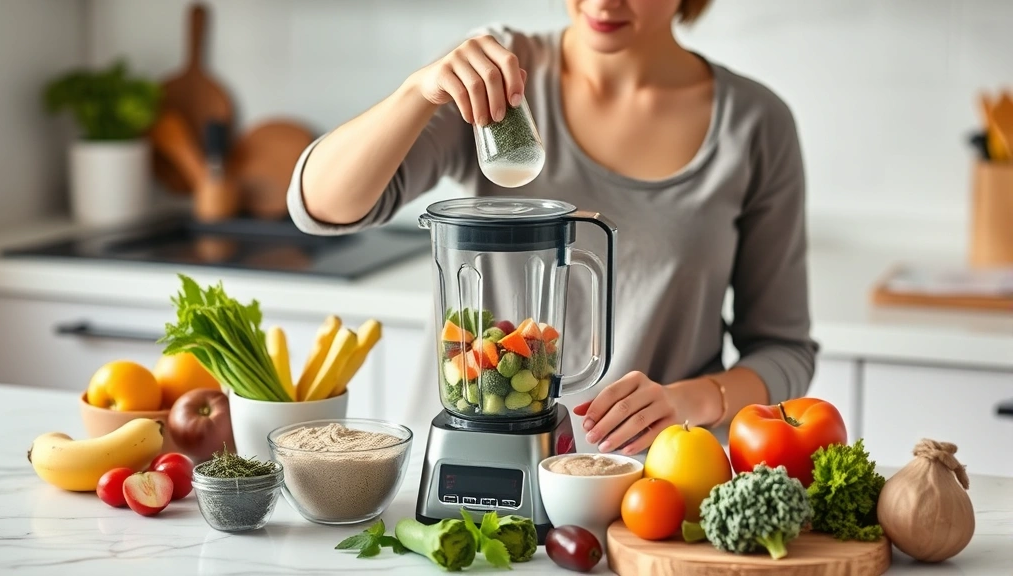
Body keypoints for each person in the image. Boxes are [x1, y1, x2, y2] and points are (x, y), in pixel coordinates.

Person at [287, 0, 818, 455]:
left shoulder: (756, 125)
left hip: (648, 485)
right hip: (474, 464)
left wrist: (693, 398)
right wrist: (414, 93)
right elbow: (321, 206)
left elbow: (783, 350)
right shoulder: (498, 80)